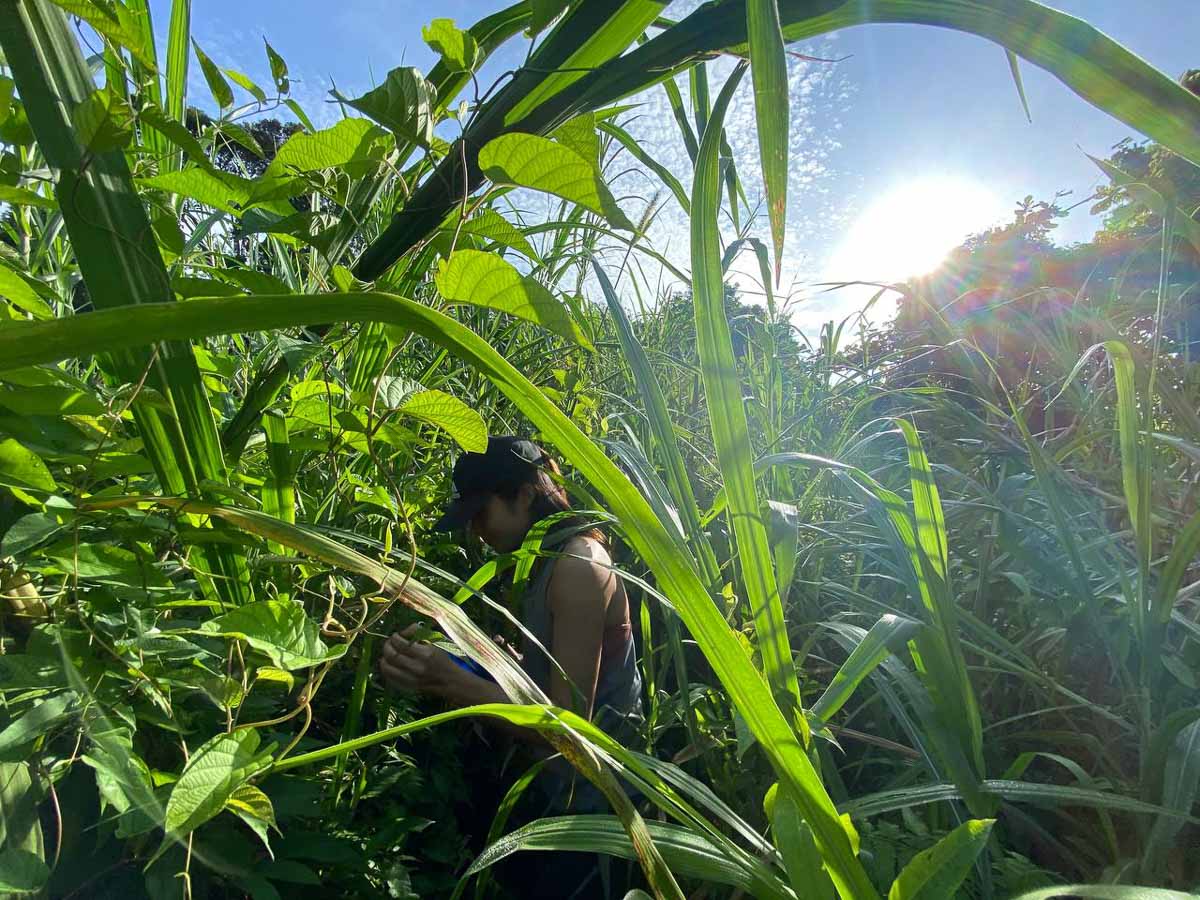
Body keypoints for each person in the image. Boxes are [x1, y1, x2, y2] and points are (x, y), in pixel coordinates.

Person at [377, 436, 644, 899]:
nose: (476, 530)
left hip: (596, 807)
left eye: (482, 513)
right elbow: (558, 674)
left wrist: (449, 680)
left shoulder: (578, 566)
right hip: (555, 791)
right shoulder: (541, 562)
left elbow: (570, 730)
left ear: (523, 495)